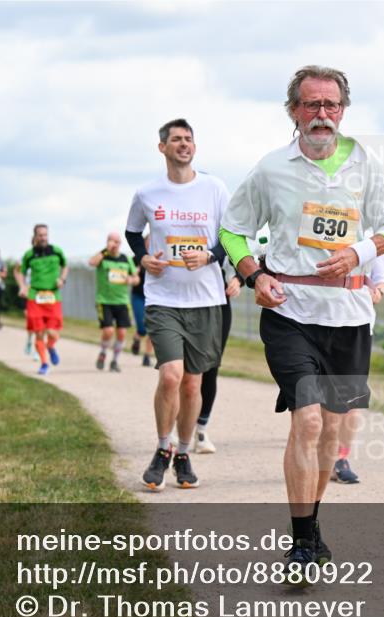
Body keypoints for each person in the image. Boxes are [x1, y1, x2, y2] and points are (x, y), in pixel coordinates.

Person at [218, 66, 384, 580]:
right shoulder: (269, 170)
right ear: (293, 111)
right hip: (290, 312)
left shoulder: (365, 165)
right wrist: (255, 275)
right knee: (305, 419)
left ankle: (312, 526)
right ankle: (301, 545)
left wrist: (361, 251)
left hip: (348, 317)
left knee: (330, 431)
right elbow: (233, 231)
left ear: (343, 111)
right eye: (311, 105)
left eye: (330, 105)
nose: (321, 115)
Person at [126, 118, 234, 491]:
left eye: (189, 139)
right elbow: (131, 232)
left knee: (192, 384)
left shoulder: (214, 188)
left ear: (195, 146)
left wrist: (209, 257)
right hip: (163, 297)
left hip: (206, 300)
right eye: (176, 140)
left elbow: (231, 237)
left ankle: (183, 453)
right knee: (171, 375)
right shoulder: (147, 193)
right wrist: (142, 257)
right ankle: (161, 447)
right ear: (163, 148)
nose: (184, 144)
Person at [331, 253, 384, 484]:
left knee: (352, 399)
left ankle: (340, 459)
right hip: (313, 324)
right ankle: (317, 455)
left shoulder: (368, 239)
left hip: (357, 325)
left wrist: (378, 291)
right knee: (314, 397)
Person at [181, 231, 242, 454]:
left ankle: (201, 429)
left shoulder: (223, 230)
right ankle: (179, 425)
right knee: (183, 370)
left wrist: (238, 279)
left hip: (218, 304)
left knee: (210, 367)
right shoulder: (182, 226)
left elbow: (240, 258)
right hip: (182, 300)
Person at [16, 224, 68, 376]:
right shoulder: (29, 254)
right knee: (38, 332)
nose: (43, 237)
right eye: (40, 235)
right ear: (35, 237)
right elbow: (19, 272)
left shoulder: (57, 251)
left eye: (45, 235)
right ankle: (44, 364)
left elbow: (65, 266)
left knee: (53, 333)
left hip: (53, 297)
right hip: (35, 297)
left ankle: (50, 347)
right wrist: (22, 286)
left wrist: (62, 279)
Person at [89, 232, 139, 373]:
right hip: (104, 301)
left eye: (116, 241)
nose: (114, 244)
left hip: (122, 301)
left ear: (120, 243)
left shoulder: (126, 259)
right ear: (107, 242)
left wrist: (131, 280)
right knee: (108, 330)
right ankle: (103, 352)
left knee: (122, 333)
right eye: (111, 241)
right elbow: (92, 263)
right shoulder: (102, 257)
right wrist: (105, 251)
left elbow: (136, 278)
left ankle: (115, 361)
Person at [129, 234, 155, 367]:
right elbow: (128, 277)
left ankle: (147, 356)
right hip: (138, 296)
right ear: (144, 243)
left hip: (154, 297)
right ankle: (137, 337)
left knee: (152, 327)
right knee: (142, 327)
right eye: (148, 241)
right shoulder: (135, 259)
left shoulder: (159, 258)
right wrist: (133, 276)